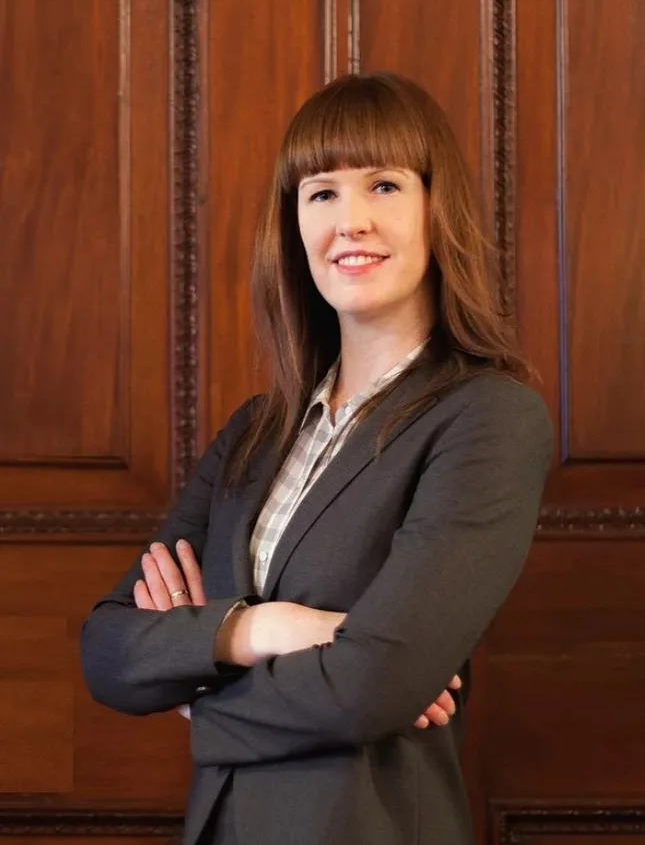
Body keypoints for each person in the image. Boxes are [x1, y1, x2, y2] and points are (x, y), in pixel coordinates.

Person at [80, 72, 552, 845]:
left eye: (384, 185)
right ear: (293, 224)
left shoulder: (487, 419)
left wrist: (196, 688)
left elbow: (372, 688)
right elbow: (107, 650)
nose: (350, 221)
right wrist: (261, 628)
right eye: (321, 192)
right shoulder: (256, 433)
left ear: (438, 209)